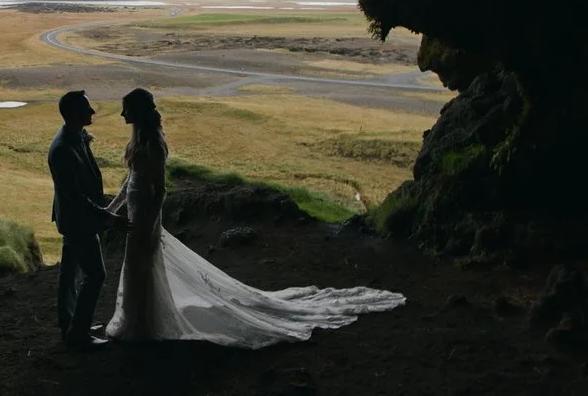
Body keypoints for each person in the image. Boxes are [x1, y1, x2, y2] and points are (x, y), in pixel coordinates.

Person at [103, 88, 406, 347]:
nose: (121, 115)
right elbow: (129, 183)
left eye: (126, 110)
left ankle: (144, 325)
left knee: (142, 268)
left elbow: (159, 190)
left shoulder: (154, 144)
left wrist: (150, 223)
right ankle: (138, 322)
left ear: (138, 112)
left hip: (145, 219)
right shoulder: (137, 142)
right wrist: (111, 210)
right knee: (136, 269)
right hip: (135, 214)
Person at [48, 90, 132, 350]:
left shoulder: (75, 137)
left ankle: (70, 323)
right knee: (95, 274)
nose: (92, 112)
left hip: (75, 219)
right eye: (86, 108)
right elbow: (76, 198)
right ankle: (78, 334)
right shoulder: (63, 149)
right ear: (73, 114)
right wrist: (108, 217)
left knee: (70, 273)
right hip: (78, 221)